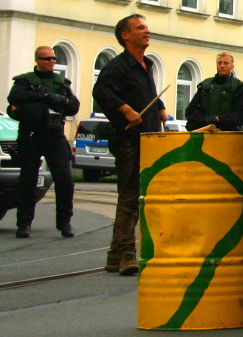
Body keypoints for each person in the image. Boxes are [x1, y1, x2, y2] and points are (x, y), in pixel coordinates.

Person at [93, 14, 168, 275]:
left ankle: (115, 255)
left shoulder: (145, 64)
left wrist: (160, 109)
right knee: (129, 198)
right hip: (128, 140)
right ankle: (126, 252)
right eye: (140, 28)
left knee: (139, 197)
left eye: (146, 26)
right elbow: (100, 91)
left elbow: (148, 94)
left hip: (149, 138)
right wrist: (125, 110)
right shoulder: (118, 66)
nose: (147, 31)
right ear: (126, 36)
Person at [7, 46, 80, 238]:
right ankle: (24, 223)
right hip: (31, 135)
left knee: (65, 180)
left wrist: (62, 101)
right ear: (38, 60)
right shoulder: (25, 81)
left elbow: (73, 106)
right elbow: (14, 97)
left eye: (54, 59)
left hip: (54, 134)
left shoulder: (61, 82)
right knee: (27, 181)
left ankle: (65, 222)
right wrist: (44, 96)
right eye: (47, 59)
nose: (51, 62)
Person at [184, 52, 243, 131]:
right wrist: (206, 119)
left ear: (232, 66)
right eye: (219, 63)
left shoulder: (240, 88)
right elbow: (190, 111)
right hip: (205, 132)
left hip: (229, 134)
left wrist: (219, 120)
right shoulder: (205, 86)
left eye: (226, 63)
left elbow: (242, 116)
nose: (222, 66)